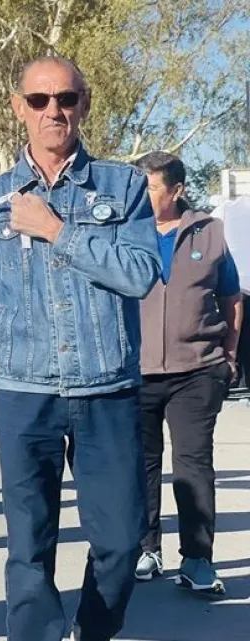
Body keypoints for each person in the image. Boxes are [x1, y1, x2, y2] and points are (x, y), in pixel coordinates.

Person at [0, 57, 160, 641]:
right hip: (24, 395)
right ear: (19, 108)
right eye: (39, 100)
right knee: (28, 549)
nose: (54, 111)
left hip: (107, 390)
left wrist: (56, 230)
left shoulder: (123, 187)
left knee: (121, 544)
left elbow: (141, 273)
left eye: (66, 98)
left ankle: (92, 631)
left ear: (84, 104)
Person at [131, 151, 240, 594]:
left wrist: (229, 357)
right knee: (141, 464)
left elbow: (232, 298)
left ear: (175, 192)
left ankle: (197, 560)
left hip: (197, 370)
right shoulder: (123, 232)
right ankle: (145, 547)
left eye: (150, 189)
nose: (140, 197)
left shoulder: (210, 234)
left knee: (193, 465)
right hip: (134, 374)